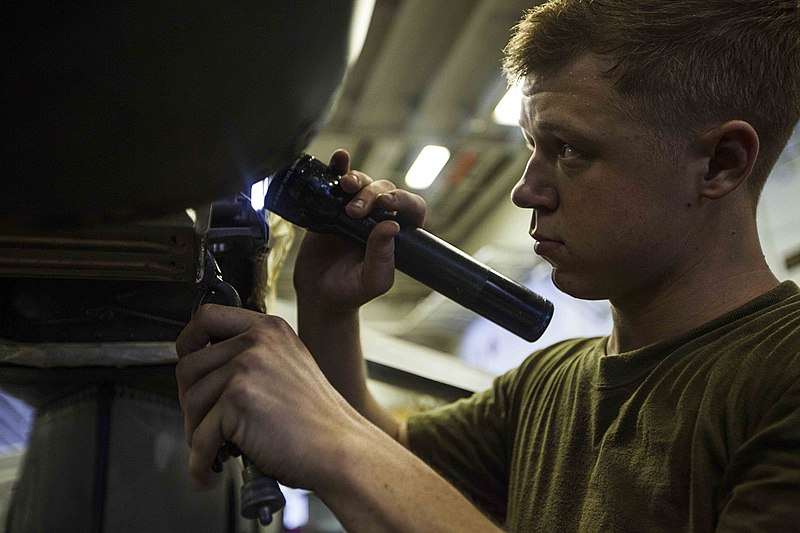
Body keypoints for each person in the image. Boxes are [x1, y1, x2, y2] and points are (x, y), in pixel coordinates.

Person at [175, 0, 800, 530]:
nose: (526, 190)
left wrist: (338, 447)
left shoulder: (780, 377)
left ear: (721, 163)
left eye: (568, 150)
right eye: (532, 147)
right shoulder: (546, 384)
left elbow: (367, 460)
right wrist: (328, 308)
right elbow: (398, 470)